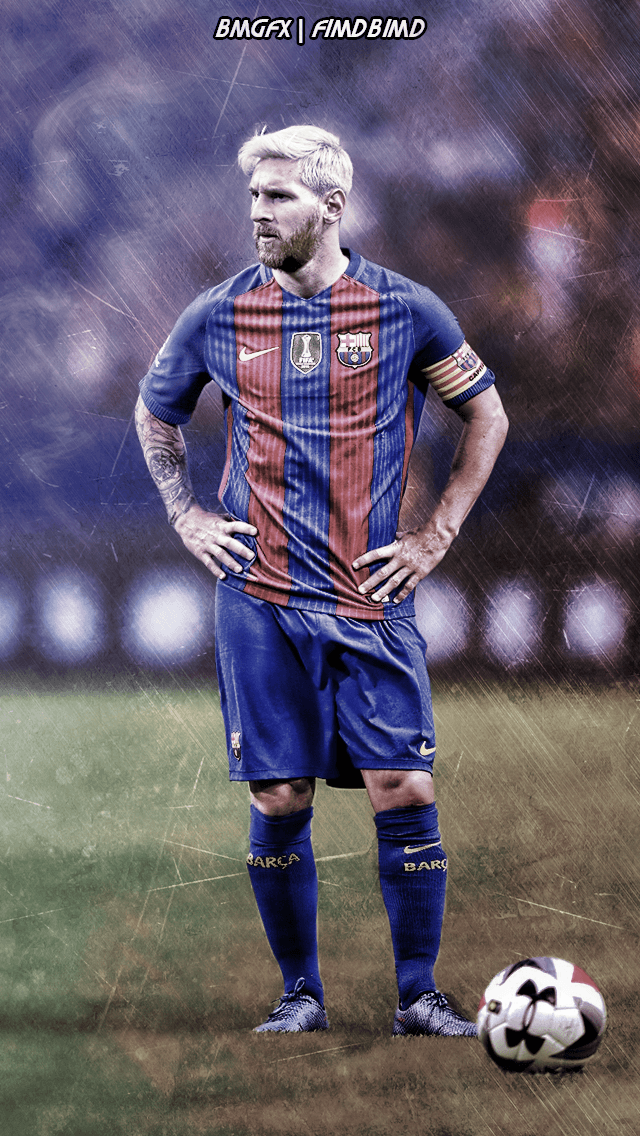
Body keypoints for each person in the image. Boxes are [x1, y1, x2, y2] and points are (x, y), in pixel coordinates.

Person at [135, 125, 508, 1037]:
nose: (258, 213)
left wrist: (435, 534)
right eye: (253, 197)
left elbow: (487, 415)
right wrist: (187, 515)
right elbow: (155, 412)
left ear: (332, 206)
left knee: (404, 789)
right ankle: (300, 994)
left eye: (278, 196)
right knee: (279, 796)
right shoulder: (219, 314)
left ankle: (417, 996)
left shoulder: (405, 309)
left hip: (370, 597)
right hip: (259, 597)